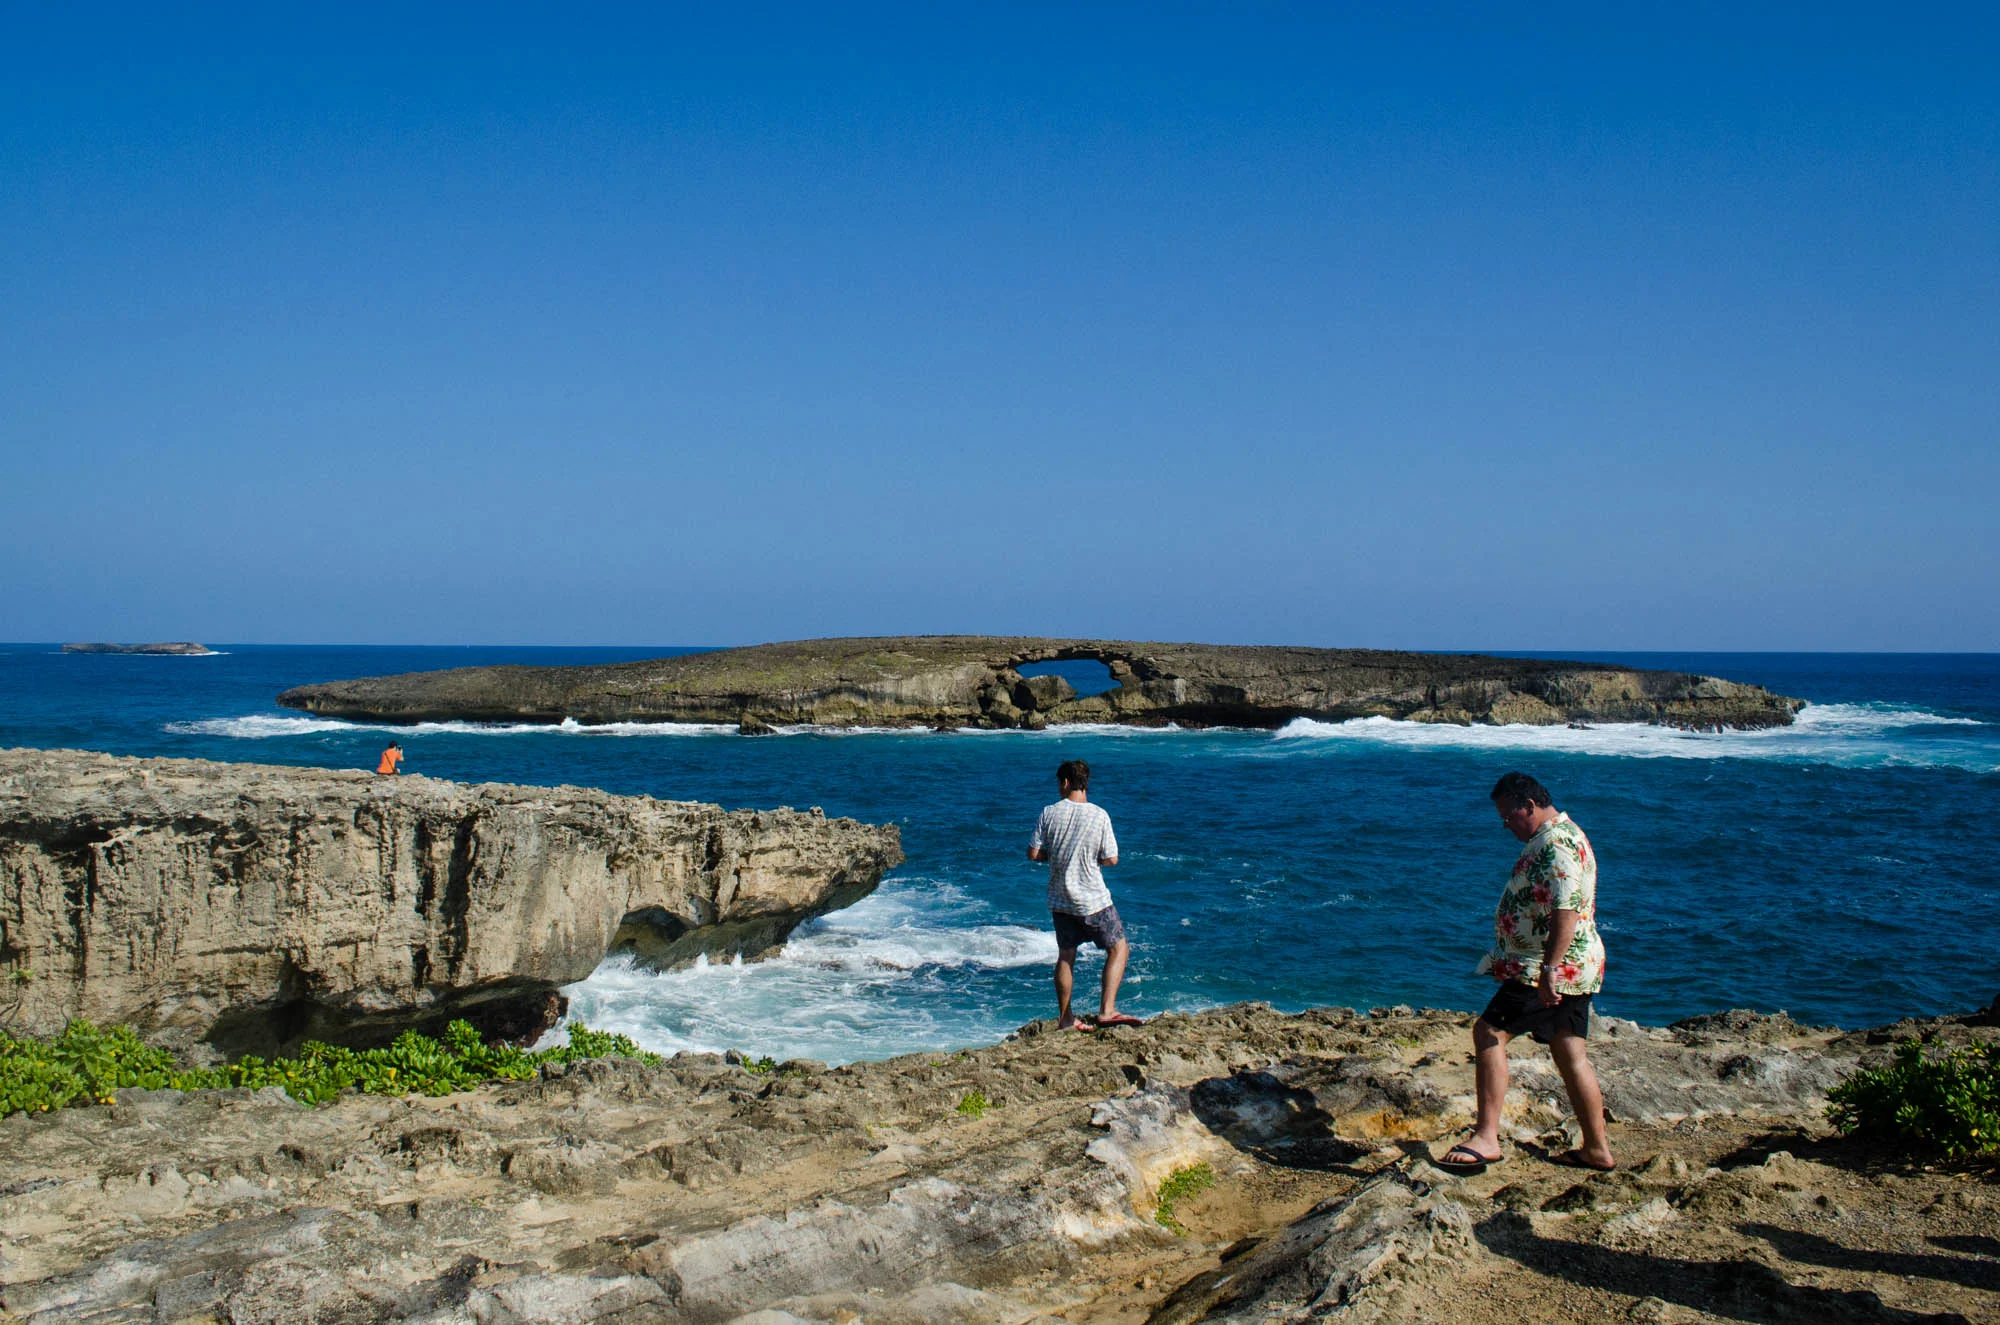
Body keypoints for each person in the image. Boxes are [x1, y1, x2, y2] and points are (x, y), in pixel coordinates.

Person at [1438, 771, 1614, 1172]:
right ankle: (1596, 1149)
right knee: (1570, 1051)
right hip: (1574, 967)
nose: (1505, 827)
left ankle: (1486, 1137)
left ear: (1529, 806)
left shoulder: (1557, 844)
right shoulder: (1562, 834)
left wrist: (1549, 970)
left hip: (1547, 969)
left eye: (1507, 817)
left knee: (1489, 1033)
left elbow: (1565, 910)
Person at [1027, 759, 1138, 1031]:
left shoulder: (1049, 813)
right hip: (1092, 899)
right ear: (1084, 783)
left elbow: (1033, 853)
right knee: (1118, 948)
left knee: (1066, 955)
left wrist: (1055, 856)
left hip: (1060, 898)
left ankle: (1065, 1019)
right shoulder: (1099, 815)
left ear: (1065, 782)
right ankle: (1107, 1011)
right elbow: (1111, 859)